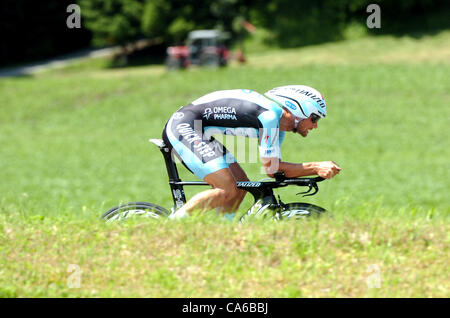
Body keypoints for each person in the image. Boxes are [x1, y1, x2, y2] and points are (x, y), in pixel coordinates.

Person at [162, 85, 341, 218]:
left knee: (240, 187)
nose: (315, 125)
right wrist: (316, 166)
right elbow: (272, 168)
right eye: (314, 118)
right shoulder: (269, 116)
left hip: (199, 129)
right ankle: (171, 229)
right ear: (300, 109)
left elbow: (273, 170)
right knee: (226, 188)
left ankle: (221, 235)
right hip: (183, 126)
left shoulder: (278, 129)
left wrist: (314, 169)